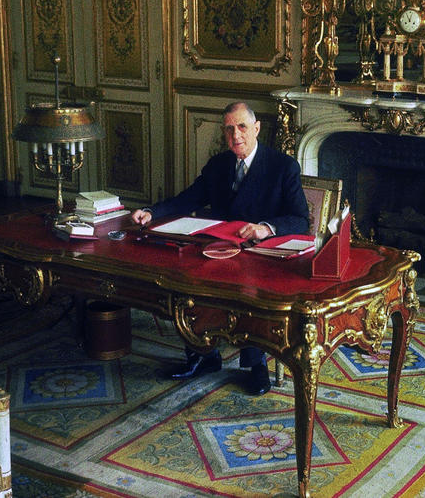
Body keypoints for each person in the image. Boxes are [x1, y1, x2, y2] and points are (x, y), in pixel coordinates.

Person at [131, 101, 309, 396]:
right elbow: (188, 199)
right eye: (228, 129)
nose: (235, 135)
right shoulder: (218, 165)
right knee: (185, 278)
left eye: (241, 127)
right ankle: (202, 354)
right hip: (218, 249)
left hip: (259, 253)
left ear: (256, 128)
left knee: (250, 285)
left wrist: (266, 228)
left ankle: (256, 365)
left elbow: (300, 219)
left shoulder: (282, 166)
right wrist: (152, 212)